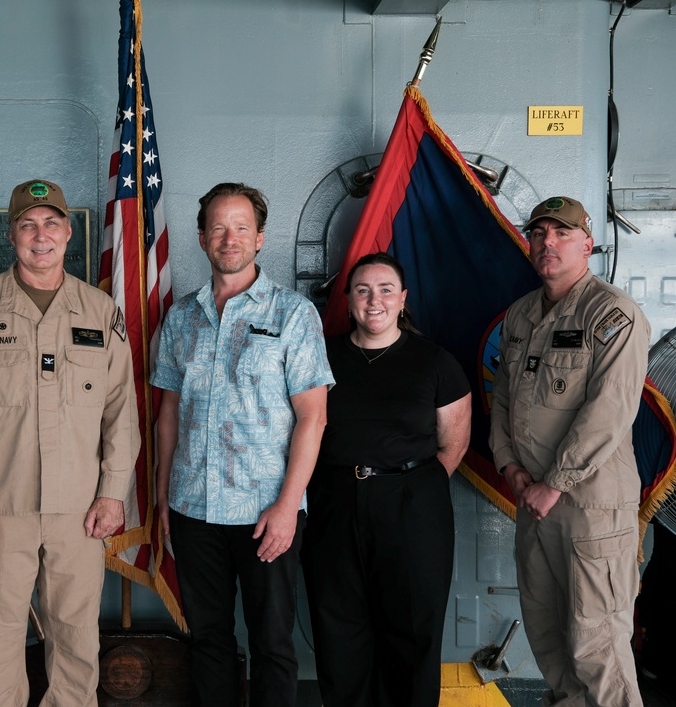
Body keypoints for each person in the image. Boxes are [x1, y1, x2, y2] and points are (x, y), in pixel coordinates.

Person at [0, 179, 138, 707]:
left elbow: (121, 413)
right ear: (11, 235)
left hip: (79, 510)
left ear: (67, 233)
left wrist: (113, 494)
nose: (40, 236)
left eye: (50, 224)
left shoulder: (100, 312)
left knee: (78, 641)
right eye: (27, 225)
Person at [151, 182, 333, 707]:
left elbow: (313, 419)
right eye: (219, 228)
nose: (229, 238)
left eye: (241, 228)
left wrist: (286, 506)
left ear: (259, 239)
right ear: (203, 238)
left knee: (272, 643)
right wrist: (164, 498)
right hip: (192, 508)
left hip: (265, 513)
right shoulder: (181, 316)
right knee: (208, 640)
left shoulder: (294, 314)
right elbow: (168, 414)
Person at [490, 195, 649, 707]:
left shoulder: (612, 313)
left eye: (561, 233)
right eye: (538, 233)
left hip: (589, 508)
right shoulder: (521, 314)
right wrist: (509, 467)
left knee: (596, 644)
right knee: (550, 640)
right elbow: (502, 399)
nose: (548, 242)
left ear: (587, 242)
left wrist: (553, 484)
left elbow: (610, 411)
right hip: (533, 505)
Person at [300, 252, 471, 707]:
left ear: (403, 300)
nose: (374, 300)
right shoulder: (321, 355)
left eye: (385, 289)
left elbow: (452, 445)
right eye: (362, 290)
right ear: (350, 299)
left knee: (413, 629)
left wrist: (405, 488)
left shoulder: (435, 361)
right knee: (338, 627)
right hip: (334, 501)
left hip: (413, 504)